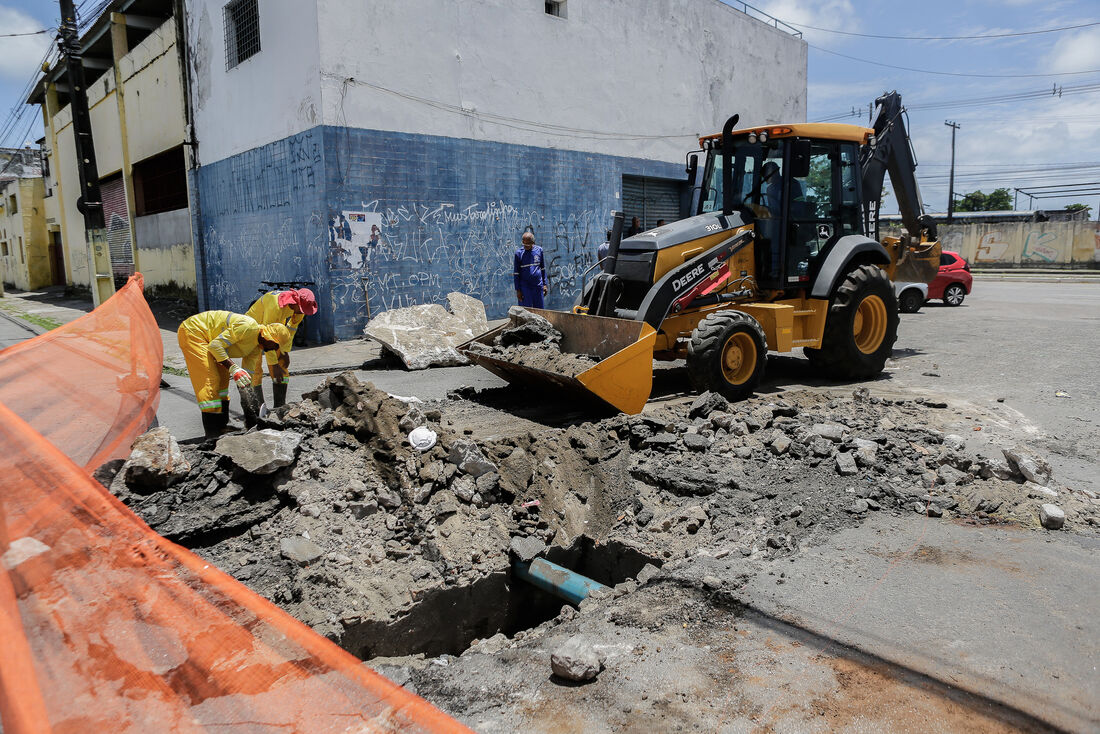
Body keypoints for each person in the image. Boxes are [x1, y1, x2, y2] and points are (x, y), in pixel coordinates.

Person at [177, 311, 292, 438]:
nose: (275, 349)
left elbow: (248, 376)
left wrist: (249, 404)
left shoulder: (256, 348)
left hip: (211, 340)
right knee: (211, 380)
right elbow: (215, 346)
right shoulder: (248, 327)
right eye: (276, 346)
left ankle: (221, 426)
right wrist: (234, 368)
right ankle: (212, 433)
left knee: (223, 381)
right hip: (194, 331)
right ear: (268, 338)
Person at [245, 288, 318, 410]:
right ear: (295, 302)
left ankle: (279, 407)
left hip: (272, 330)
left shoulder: (299, 308)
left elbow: (291, 330)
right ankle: (258, 409)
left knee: (282, 366)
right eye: (301, 309)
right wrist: (273, 364)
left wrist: (284, 351)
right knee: (255, 369)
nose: (302, 312)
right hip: (252, 330)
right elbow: (267, 338)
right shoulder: (275, 306)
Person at [513, 232, 548, 308]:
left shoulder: (539, 250)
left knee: (539, 309)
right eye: (524, 244)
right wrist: (518, 290)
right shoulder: (518, 253)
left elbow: (542, 268)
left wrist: (545, 284)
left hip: (538, 286)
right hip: (525, 287)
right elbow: (516, 273)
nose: (526, 246)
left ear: (533, 242)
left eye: (528, 244)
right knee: (525, 310)